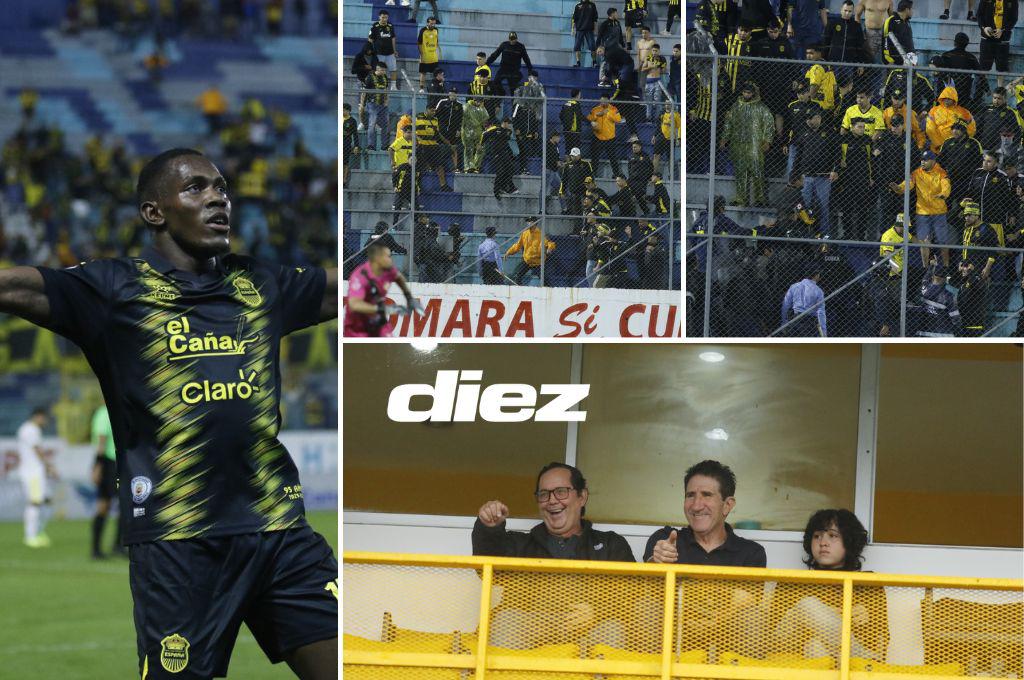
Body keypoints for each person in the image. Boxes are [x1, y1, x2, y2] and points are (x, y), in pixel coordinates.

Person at [0, 148, 338, 678]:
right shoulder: (114, 290)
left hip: (280, 531)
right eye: (196, 188)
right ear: (154, 212)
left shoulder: (259, 284)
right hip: (179, 543)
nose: (218, 198)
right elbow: (14, 285)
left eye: (222, 187)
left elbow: (353, 290)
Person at [473, 462, 635, 649]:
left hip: (588, 633)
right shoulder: (522, 545)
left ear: (582, 497)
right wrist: (489, 528)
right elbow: (486, 566)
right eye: (544, 494)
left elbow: (630, 594)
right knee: (506, 620)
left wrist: (597, 612)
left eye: (561, 492)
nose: (552, 500)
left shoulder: (610, 545)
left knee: (613, 630)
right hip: (530, 633)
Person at [644, 460, 766, 654]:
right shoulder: (666, 539)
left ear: (727, 505)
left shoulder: (751, 552)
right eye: (690, 495)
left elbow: (746, 603)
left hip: (727, 646)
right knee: (647, 606)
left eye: (707, 495)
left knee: (752, 614)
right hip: (673, 644)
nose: (696, 505)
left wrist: (714, 621)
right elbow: (648, 585)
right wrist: (656, 560)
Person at [773, 510, 888, 661]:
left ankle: (856, 657)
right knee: (808, 605)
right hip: (790, 649)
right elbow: (772, 635)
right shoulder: (792, 582)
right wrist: (821, 616)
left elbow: (882, 641)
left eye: (833, 536)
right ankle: (862, 657)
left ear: (849, 541)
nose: (823, 543)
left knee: (815, 647)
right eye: (817, 536)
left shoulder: (867, 583)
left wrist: (869, 620)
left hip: (825, 658)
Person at [891, 150, 952, 266]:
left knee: (942, 241)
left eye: (926, 160)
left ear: (933, 161)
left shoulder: (941, 172)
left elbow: (946, 185)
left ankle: (945, 267)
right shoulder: (916, 173)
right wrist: (899, 188)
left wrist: (944, 194)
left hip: (939, 212)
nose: (922, 162)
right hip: (922, 212)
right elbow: (907, 184)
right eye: (922, 160)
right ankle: (925, 267)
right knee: (923, 241)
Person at [721, 81, 775, 207]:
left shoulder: (761, 107)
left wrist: (767, 141)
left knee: (757, 170)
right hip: (738, 143)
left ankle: (760, 199)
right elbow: (728, 123)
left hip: (756, 144)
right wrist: (724, 138)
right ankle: (741, 198)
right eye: (745, 92)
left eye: (749, 92)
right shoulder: (736, 106)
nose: (746, 94)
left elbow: (769, 124)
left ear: (753, 93)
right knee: (740, 171)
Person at [346, 241, 418, 337]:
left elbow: (399, 277)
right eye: (388, 256)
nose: (391, 259)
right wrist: (384, 309)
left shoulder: (388, 270)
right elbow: (354, 305)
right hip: (357, 327)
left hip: (378, 322)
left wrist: (409, 297)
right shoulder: (359, 277)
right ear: (378, 259)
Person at [18, 407, 53, 549]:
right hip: (32, 472)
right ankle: (30, 536)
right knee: (35, 502)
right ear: (38, 416)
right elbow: (37, 450)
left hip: (35, 472)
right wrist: (49, 466)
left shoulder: (28, 429)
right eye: (44, 418)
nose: (45, 422)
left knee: (47, 501)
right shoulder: (30, 430)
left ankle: (37, 532)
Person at [91, 403, 122, 559]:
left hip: (112, 462)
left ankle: (111, 547)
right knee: (111, 504)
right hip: (109, 463)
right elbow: (102, 441)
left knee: (107, 504)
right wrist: (97, 466)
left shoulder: (112, 410)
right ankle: (100, 548)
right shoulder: (105, 413)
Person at [976, 0, 1018, 83]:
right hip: (987, 39)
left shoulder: (1012, 1)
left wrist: (1003, 30)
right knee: (984, 68)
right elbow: (979, 15)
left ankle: (1000, 90)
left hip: (1003, 40)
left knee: (1001, 69)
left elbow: (1014, 19)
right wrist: (984, 28)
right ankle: (982, 88)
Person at [505, 216, 556, 284]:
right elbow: (518, 245)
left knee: (545, 279)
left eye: (530, 221)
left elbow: (550, 243)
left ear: (535, 223)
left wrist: (550, 248)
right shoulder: (524, 233)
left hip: (537, 262)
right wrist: (508, 252)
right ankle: (519, 288)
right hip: (527, 260)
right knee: (518, 275)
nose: (528, 223)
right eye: (528, 222)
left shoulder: (541, 234)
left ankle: (549, 289)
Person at [926, 87, 977, 154]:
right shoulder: (934, 110)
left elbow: (971, 128)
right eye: (945, 98)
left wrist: (962, 142)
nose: (946, 100)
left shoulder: (963, 112)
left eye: (949, 99)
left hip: (957, 146)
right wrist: (939, 143)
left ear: (954, 99)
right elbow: (930, 129)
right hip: (937, 146)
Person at [780, 264, 828, 335]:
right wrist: (823, 332)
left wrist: (784, 322)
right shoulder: (818, 291)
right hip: (810, 323)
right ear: (817, 275)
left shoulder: (794, 286)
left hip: (795, 320)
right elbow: (821, 312)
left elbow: (785, 305)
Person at [415, 107, 454, 192]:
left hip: (433, 145)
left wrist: (447, 142)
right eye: (432, 110)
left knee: (439, 165)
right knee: (419, 167)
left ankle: (443, 185)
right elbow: (414, 132)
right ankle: (417, 185)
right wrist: (417, 141)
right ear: (427, 110)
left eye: (434, 111)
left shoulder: (435, 119)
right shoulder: (418, 117)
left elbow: (437, 132)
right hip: (422, 145)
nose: (433, 112)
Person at [486, 32, 533, 99]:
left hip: (514, 71)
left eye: (514, 39)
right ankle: (502, 93)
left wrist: (530, 70)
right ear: (509, 39)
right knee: (496, 82)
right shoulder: (504, 45)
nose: (512, 41)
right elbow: (495, 55)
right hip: (503, 69)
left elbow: (526, 59)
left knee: (513, 90)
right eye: (511, 39)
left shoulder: (521, 47)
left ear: (516, 39)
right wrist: (487, 63)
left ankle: (514, 104)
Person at [919, 264, 963, 336]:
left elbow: (925, 278)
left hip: (923, 331)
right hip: (943, 333)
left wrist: (931, 266)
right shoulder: (948, 295)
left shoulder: (924, 287)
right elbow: (955, 317)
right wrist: (959, 328)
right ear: (945, 279)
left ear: (933, 276)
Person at [587, 93, 624, 178]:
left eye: (604, 101)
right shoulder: (595, 109)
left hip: (610, 138)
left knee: (613, 158)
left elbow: (618, 119)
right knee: (595, 158)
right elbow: (589, 119)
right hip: (597, 137)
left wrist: (607, 113)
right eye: (601, 101)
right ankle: (593, 175)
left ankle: (616, 175)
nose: (602, 103)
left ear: (608, 100)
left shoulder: (613, 109)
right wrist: (596, 116)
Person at [977, 87, 1023, 153]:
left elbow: (1017, 131)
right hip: (984, 146)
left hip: (1000, 149)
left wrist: (1013, 147)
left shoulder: (1009, 112)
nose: (996, 101)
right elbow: (979, 127)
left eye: (999, 98)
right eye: (994, 98)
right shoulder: (986, 109)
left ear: (1005, 99)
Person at [483, 118, 519, 200]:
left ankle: (504, 186)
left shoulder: (508, 131)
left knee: (511, 169)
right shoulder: (496, 129)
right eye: (508, 123)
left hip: (504, 153)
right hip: (497, 154)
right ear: (504, 122)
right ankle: (497, 191)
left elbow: (506, 137)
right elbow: (485, 134)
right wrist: (481, 143)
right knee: (500, 172)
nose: (509, 125)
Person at [359, 62, 390, 151]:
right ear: (377, 69)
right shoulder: (370, 77)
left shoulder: (385, 77)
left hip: (383, 105)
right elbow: (364, 91)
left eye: (385, 70)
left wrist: (386, 101)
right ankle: (370, 145)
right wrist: (362, 104)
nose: (384, 72)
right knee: (372, 124)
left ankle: (384, 145)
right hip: (372, 104)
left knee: (385, 125)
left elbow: (386, 90)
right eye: (382, 70)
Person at [367, 9, 399, 90]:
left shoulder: (390, 26)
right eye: (383, 17)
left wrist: (394, 50)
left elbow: (393, 38)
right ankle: (376, 85)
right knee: (377, 69)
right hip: (379, 53)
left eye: (386, 18)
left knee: (393, 69)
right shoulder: (375, 26)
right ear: (379, 17)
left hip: (390, 53)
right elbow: (370, 39)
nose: (384, 19)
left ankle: (393, 86)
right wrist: (370, 49)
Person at [559, 147, 594, 215]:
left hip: (584, 191)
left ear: (579, 155)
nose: (573, 157)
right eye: (572, 156)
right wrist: (562, 191)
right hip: (573, 191)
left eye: (575, 156)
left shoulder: (586, 164)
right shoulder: (567, 165)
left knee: (586, 209)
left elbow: (590, 176)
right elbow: (564, 179)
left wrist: (586, 185)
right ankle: (576, 220)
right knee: (576, 210)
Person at [881, 0, 914, 66]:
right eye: (912, 9)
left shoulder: (907, 23)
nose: (913, 11)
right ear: (907, 10)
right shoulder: (890, 21)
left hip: (908, 63)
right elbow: (885, 42)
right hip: (894, 63)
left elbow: (910, 43)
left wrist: (913, 60)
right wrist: (889, 61)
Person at [461, 97, 488, 173]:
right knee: (469, 149)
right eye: (478, 101)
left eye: (481, 102)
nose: (480, 103)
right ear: (474, 100)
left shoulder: (481, 107)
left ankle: (475, 167)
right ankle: (468, 167)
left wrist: (482, 108)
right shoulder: (466, 106)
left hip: (478, 132)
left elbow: (486, 118)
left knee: (481, 149)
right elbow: (463, 119)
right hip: (467, 131)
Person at [416, 16, 441, 92]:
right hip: (425, 56)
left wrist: (438, 52)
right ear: (427, 23)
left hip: (434, 56)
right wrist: (422, 54)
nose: (433, 25)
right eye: (431, 23)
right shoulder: (423, 30)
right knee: (423, 73)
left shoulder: (436, 30)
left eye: (434, 24)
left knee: (436, 73)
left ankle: (435, 88)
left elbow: (436, 41)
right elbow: (419, 43)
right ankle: (421, 88)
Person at [571, 0, 599, 67]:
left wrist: (595, 28)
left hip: (589, 29)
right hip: (579, 29)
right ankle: (578, 62)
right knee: (577, 46)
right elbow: (574, 18)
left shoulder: (592, 5)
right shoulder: (577, 5)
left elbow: (595, 18)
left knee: (592, 46)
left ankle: (594, 62)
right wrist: (572, 29)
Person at [561, 89, 585, 154]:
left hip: (566, 131)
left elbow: (561, 115)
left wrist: (566, 124)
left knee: (568, 149)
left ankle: (567, 160)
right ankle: (575, 161)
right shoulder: (576, 104)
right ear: (578, 95)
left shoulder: (566, 104)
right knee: (576, 150)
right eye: (580, 94)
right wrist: (590, 121)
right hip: (575, 132)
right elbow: (580, 116)